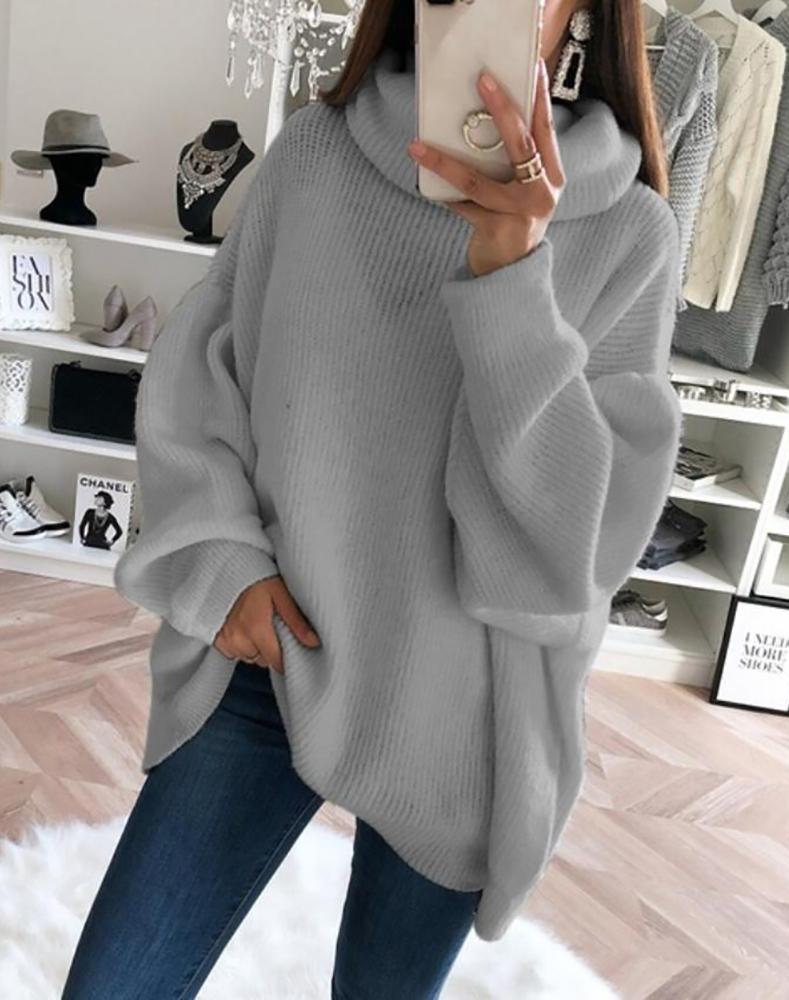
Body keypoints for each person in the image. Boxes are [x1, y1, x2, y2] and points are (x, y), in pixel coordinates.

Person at [61, 1, 683, 997]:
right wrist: (224, 564)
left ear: (583, 12)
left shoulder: (629, 231)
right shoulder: (314, 157)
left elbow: (571, 548)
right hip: (272, 660)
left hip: (462, 720)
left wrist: (514, 279)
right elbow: (202, 374)